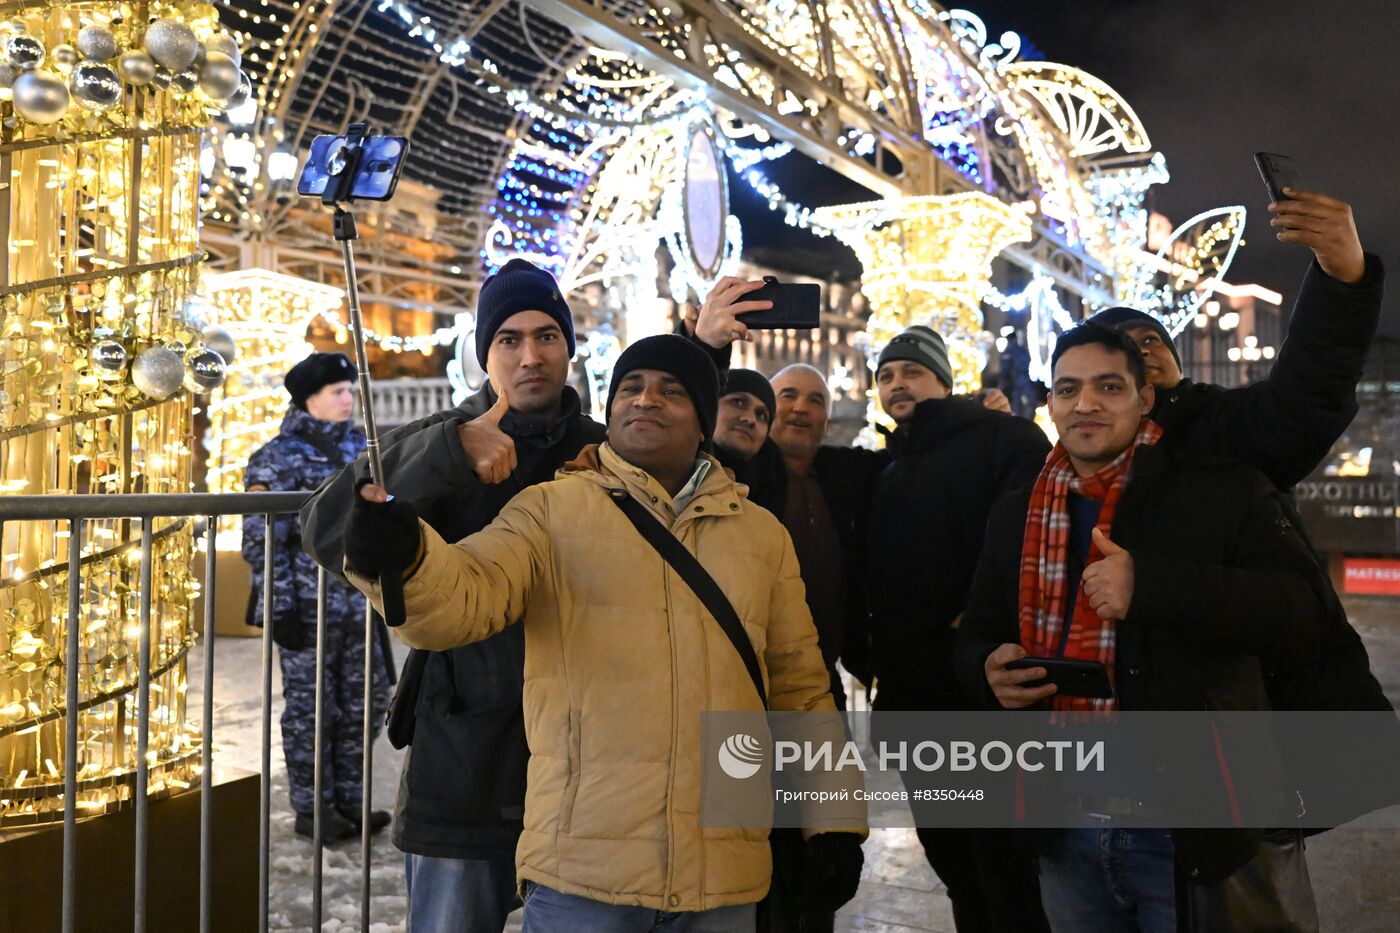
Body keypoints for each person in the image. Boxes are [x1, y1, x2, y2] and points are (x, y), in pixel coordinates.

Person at [342, 334, 867, 931]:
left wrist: (834, 819)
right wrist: (404, 555)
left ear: (703, 422)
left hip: (722, 876)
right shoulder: (550, 510)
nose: (646, 400)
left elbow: (801, 688)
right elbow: (463, 596)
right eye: (631, 388)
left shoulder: (761, 534)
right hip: (584, 870)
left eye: (671, 390)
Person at [958, 322, 1338, 931]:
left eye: (1109, 386)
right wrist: (987, 670)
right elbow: (978, 630)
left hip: (1189, 825)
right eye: (1067, 389)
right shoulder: (1018, 507)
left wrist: (1153, 587)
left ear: (1145, 398)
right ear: (1050, 405)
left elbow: (1303, 613)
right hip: (1066, 825)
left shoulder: (1219, 486)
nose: (1085, 403)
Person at [300, 257, 603, 932]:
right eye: (509, 339)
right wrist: (448, 452)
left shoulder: (602, 454)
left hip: (587, 770)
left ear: (569, 349)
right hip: (466, 760)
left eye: (547, 336)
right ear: (484, 355)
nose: (531, 355)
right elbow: (323, 528)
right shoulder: (441, 438)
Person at [864, 325, 1051, 932]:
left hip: (984, 703)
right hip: (917, 704)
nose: (897, 385)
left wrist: (981, 609)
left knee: (1009, 871)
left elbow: (1030, 529)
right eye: (886, 376)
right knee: (958, 868)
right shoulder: (891, 465)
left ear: (944, 382)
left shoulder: (1001, 438)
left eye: (911, 372)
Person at [1088, 188, 1383, 492]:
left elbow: (1306, 397)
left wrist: (1341, 281)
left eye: (1151, 340)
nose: (1142, 352)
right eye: (1123, 346)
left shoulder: (1222, 426)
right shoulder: (1073, 462)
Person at [242, 351, 391, 842]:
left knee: (363, 707)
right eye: (338, 393)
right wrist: (279, 606)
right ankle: (312, 809)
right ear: (310, 399)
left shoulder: (365, 451)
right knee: (312, 712)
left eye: (351, 391)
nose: (349, 400)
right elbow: (264, 540)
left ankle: (349, 801)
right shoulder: (275, 458)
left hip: (359, 608)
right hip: (307, 612)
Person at [710, 368, 787, 515]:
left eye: (761, 415)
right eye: (738, 402)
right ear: (712, 406)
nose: (750, 419)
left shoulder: (775, 484)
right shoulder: (675, 473)